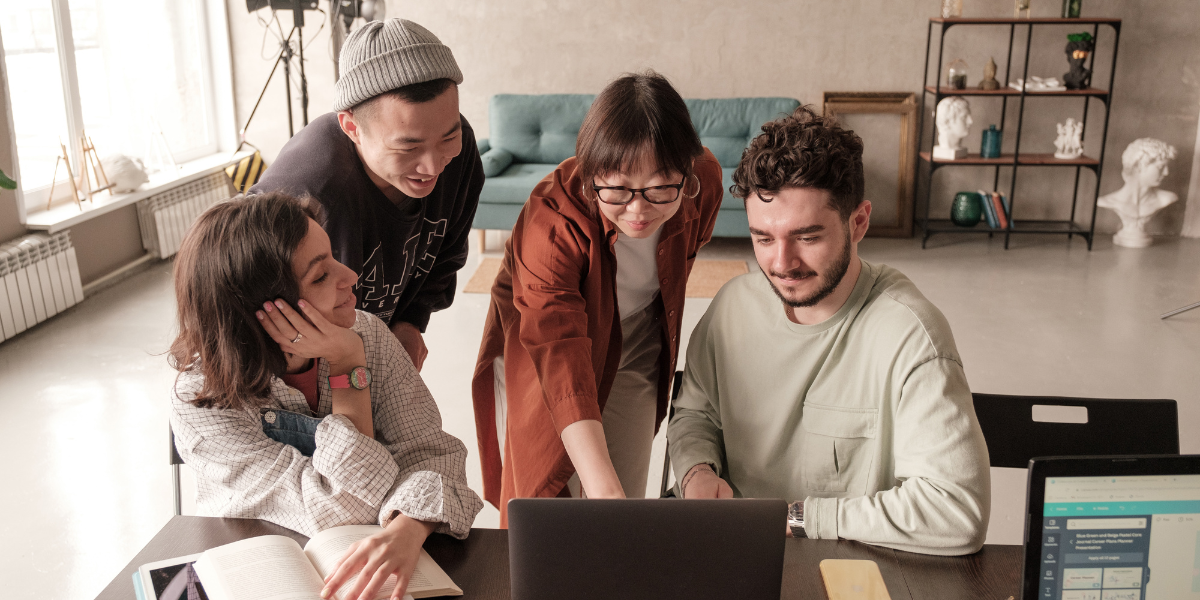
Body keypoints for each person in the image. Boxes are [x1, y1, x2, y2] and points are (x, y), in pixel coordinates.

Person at [667, 106, 991, 556]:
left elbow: (957, 511)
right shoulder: (731, 308)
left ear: (858, 222)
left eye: (808, 237)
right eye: (763, 238)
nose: (781, 264)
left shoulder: (911, 335)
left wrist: (797, 518)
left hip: (846, 559)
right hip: (733, 552)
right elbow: (696, 415)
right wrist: (696, 472)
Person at [169, 193, 482, 600]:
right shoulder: (202, 397)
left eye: (333, 256)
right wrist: (347, 365)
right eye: (320, 277)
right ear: (260, 311)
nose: (350, 275)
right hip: (259, 574)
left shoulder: (368, 334)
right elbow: (341, 507)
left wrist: (408, 530)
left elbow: (438, 460)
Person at [470, 71, 724, 524]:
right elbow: (558, 348)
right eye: (618, 189)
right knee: (544, 491)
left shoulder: (703, 180)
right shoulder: (551, 221)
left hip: (639, 336)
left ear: (685, 172)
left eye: (661, 186)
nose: (639, 210)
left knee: (621, 485)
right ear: (590, 174)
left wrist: (611, 493)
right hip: (542, 349)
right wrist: (603, 488)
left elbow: (681, 255)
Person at [251, 19, 484, 371]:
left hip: (370, 351)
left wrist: (411, 323)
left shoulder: (460, 152)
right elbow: (223, 276)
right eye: (409, 147)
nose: (433, 165)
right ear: (351, 127)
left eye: (447, 139)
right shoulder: (309, 187)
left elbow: (447, 253)